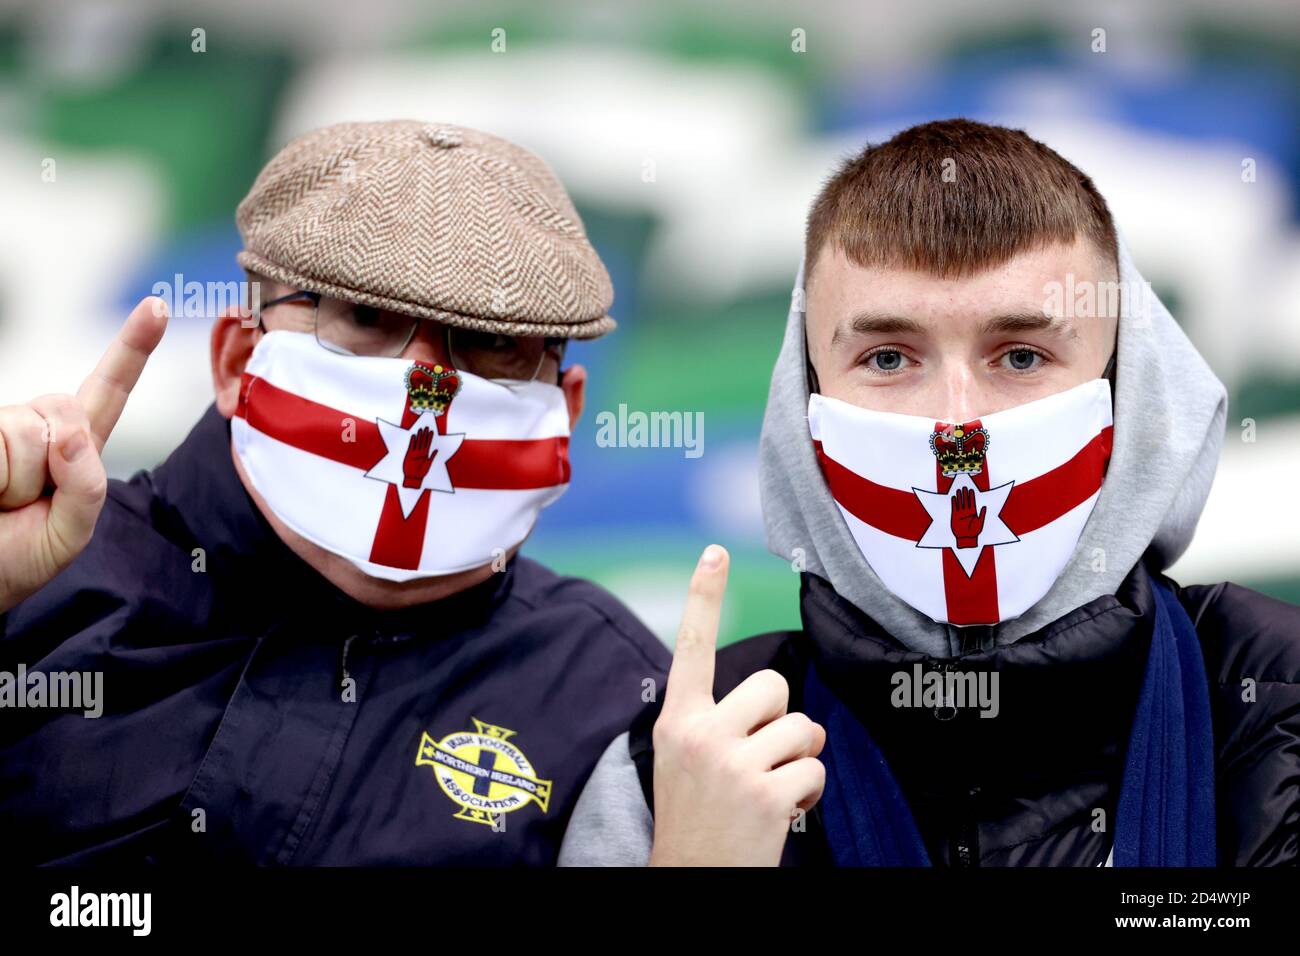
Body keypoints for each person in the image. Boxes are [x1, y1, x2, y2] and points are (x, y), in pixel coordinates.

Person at [559, 118, 1300, 867]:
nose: (956, 424)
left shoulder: (1278, 708)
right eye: (888, 358)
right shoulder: (682, 760)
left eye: (1019, 355)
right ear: (802, 406)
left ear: (1125, 391)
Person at [0, 119, 669, 865]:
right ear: (236, 358)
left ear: (565, 413)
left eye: (490, 342)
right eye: (365, 317)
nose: (426, 387)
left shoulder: (614, 701)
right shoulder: (40, 583)